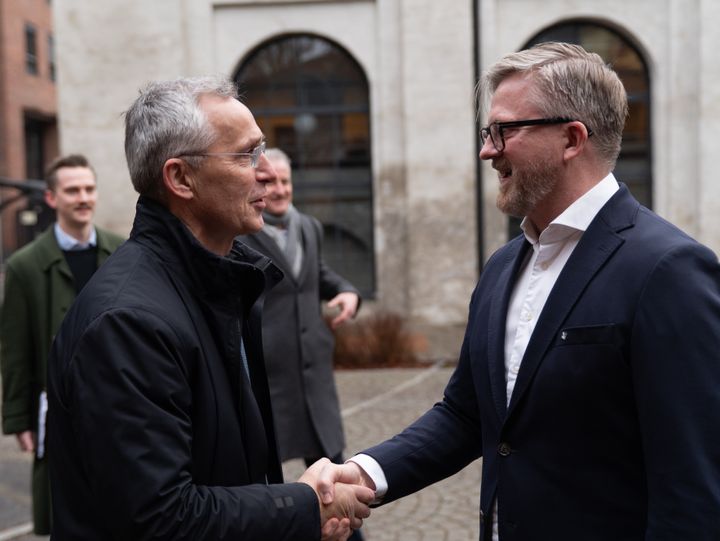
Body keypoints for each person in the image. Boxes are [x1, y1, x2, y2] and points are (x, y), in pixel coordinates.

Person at [318, 42, 720, 540]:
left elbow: (693, 487)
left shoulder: (669, 269)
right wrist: (362, 473)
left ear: (572, 138)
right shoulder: (503, 266)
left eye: (504, 131)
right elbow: (466, 414)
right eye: (488, 132)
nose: (487, 150)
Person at [45, 76, 373, 540]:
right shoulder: (126, 323)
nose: (266, 173)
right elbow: (161, 517)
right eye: (246, 155)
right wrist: (302, 505)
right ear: (181, 178)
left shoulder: (224, 281)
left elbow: (230, 474)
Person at [238, 148, 364, 541]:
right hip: (267, 379)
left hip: (313, 374)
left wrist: (347, 292)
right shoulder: (242, 233)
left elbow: (318, 274)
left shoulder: (309, 227)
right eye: (268, 181)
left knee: (336, 476)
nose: (278, 189)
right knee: (267, 483)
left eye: (285, 181)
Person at [1, 153, 124, 535]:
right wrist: (19, 418)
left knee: (123, 503)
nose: (83, 197)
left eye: (89, 189)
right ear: (52, 199)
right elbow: (15, 351)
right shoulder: (24, 266)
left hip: (119, 401)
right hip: (57, 406)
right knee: (67, 512)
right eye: (72, 190)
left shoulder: (122, 251)